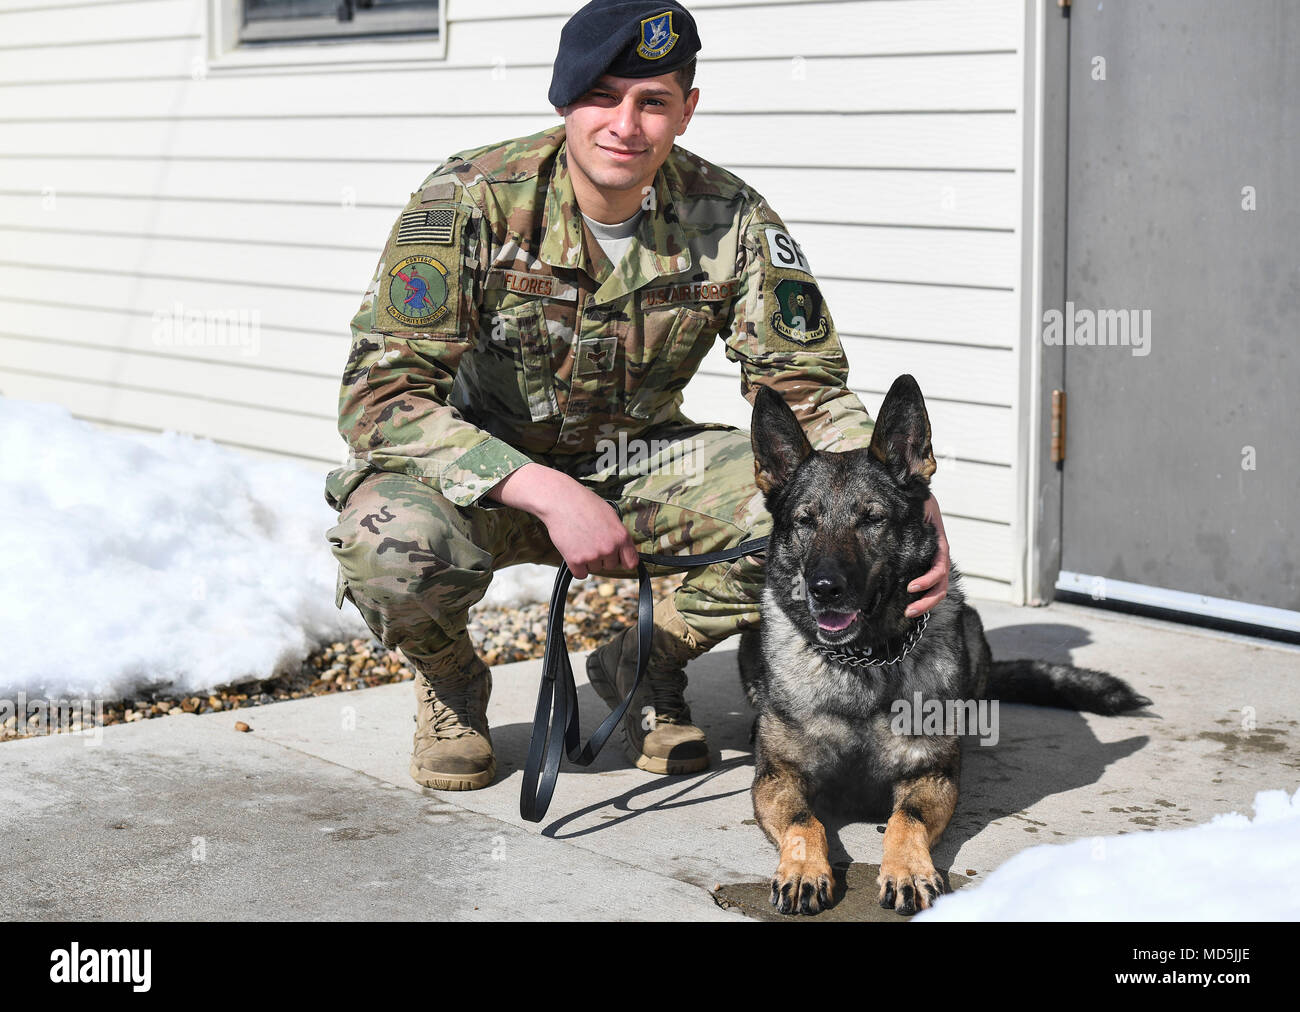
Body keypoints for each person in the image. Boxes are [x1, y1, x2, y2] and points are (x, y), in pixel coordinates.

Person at [325, 0, 951, 792]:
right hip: (480, 477)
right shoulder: (472, 199)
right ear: (564, 101)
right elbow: (381, 399)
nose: (626, 123)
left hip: (640, 466)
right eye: (603, 94)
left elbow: (804, 385)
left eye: (653, 101)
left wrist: (909, 505)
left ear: (687, 111)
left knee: (798, 525)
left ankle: (643, 665)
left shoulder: (729, 218)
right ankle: (451, 683)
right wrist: (546, 490)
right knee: (386, 541)